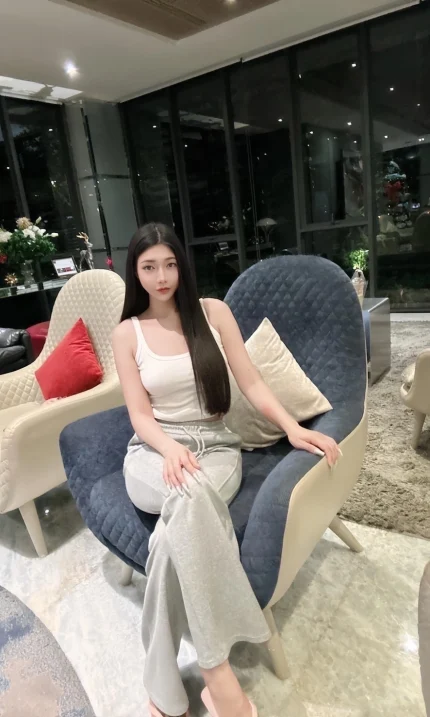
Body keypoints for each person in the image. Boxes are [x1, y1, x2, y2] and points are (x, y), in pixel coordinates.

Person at [112, 223, 340, 717]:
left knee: (171, 536)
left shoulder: (213, 314)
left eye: (170, 264)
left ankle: (164, 688)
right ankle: (219, 677)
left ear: (182, 266)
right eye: (149, 267)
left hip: (215, 449)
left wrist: (292, 428)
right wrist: (168, 449)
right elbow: (139, 415)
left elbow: (251, 381)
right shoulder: (126, 334)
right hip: (152, 452)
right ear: (136, 272)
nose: (161, 277)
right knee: (188, 495)